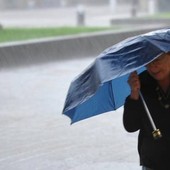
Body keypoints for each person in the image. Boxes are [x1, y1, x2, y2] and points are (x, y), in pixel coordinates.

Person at [123, 52, 170, 170]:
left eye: (157, 60)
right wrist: (134, 93)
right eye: (148, 62)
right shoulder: (141, 83)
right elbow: (131, 126)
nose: (152, 66)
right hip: (153, 160)